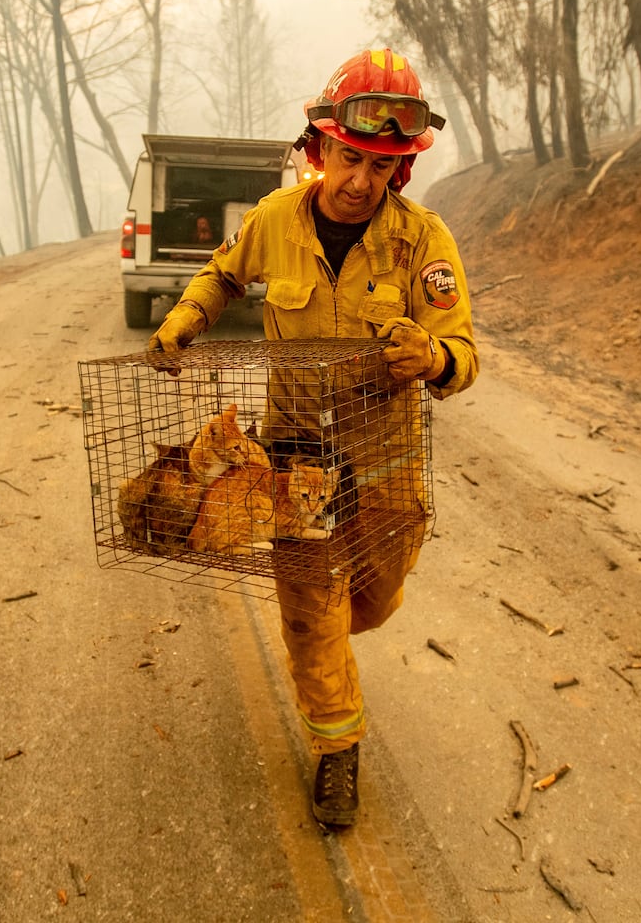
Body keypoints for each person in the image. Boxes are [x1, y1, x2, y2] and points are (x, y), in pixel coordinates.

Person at [149, 48, 478, 827]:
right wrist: (186, 318)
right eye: (349, 156)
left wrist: (431, 356)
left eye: (381, 165)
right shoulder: (273, 221)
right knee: (312, 606)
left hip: (387, 460)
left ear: (400, 171)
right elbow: (221, 274)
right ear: (321, 147)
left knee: (377, 598)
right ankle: (338, 748)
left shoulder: (422, 243)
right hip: (294, 456)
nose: (360, 180)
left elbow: (464, 357)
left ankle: (326, 631)